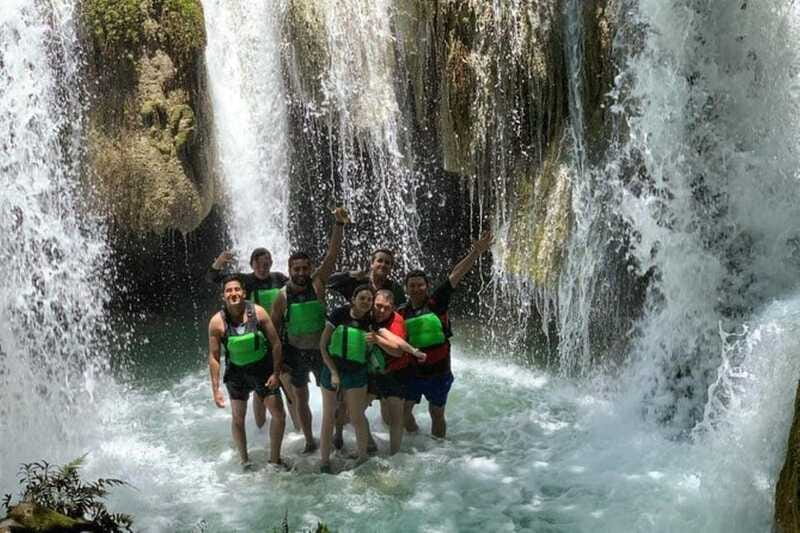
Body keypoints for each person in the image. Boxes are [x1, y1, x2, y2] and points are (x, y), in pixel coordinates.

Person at [270, 207, 349, 454]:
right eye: (297, 269)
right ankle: (309, 439)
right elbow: (274, 331)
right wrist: (278, 362)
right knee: (301, 398)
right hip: (296, 353)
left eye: (305, 268)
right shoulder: (281, 296)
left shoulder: (318, 283)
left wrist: (338, 224)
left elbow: (332, 254)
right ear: (290, 269)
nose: (302, 273)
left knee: (335, 396)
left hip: (322, 351)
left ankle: (336, 433)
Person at [400, 231, 493, 439]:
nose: (416, 289)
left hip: (439, 371)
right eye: (412, 285)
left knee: (436, 413)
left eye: (420, 285)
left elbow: (455, 276)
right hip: (414, 372)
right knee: (404, 413)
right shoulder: (401, 312)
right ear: (406, 288)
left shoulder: (436, 302)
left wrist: (475, 253)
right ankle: (415, 437)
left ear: (427, 287)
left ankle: (438, 449)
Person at [206, 247, 289, 430]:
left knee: (279, 384)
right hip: (251, 337)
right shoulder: (245, 281)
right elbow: (213, 277)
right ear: (252, 265)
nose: (263, 267)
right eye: (258, 264)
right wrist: (220, 261)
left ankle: (290, 425)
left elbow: (301, 286)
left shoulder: (279, 279)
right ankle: (261, 429)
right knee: (260, 392)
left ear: (271, 263)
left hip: (276, 337)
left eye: (266, 263)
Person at [207, 274, 286, 467]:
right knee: (238, 418)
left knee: (278, 414)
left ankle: (274, 460)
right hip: (237, 374)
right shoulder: (217, 322)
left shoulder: (258, 313)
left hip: (262, 370)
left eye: (236, 290)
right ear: (223, 296)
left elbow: (276, 344)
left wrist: (276, 373)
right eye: (228, 290)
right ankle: (245, 460)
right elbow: (214, 357)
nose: (233, 293)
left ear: (243, 292)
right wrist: (215, 389)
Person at [318, 285, 375, 473]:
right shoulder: (338, 314)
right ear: (353, 299)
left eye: (369, 299)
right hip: (332, 370)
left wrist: (372, 343)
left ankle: (362, 456)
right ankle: (324, 462)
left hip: (356, 373)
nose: (366, 302)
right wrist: (333, 372)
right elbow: (323, 346)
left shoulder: (371, 321)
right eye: (362, 298)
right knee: (328, 417)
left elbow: (370, 352)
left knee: (357, 416)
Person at [367, 289, 426, 454]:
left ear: (393, 308)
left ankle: (395, 454)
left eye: (386, 308)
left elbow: (398, 351)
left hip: (397, 374)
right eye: (378, 306)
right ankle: (370, 445)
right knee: (354, 413)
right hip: (376, 372)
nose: (381, 310)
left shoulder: (396, 322)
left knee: (395, 417)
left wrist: (377, 339)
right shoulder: (368, 315)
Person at [328, 248, 406, 306]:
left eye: (387, 263)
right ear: (372, 264)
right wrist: (349, 274)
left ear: (391, 268)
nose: (383, 265)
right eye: (380, 261)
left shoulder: (395, 288)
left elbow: (402, 310)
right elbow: (328, 282)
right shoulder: (356, 281)